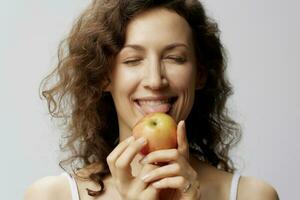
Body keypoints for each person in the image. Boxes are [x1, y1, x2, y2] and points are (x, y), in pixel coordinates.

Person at [24, 0, 279, 199]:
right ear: (104, 76)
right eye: (133, 60)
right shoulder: (52, 196)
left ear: (200, 74)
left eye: (175, 58)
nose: (155, 81)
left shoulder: (252, 196)